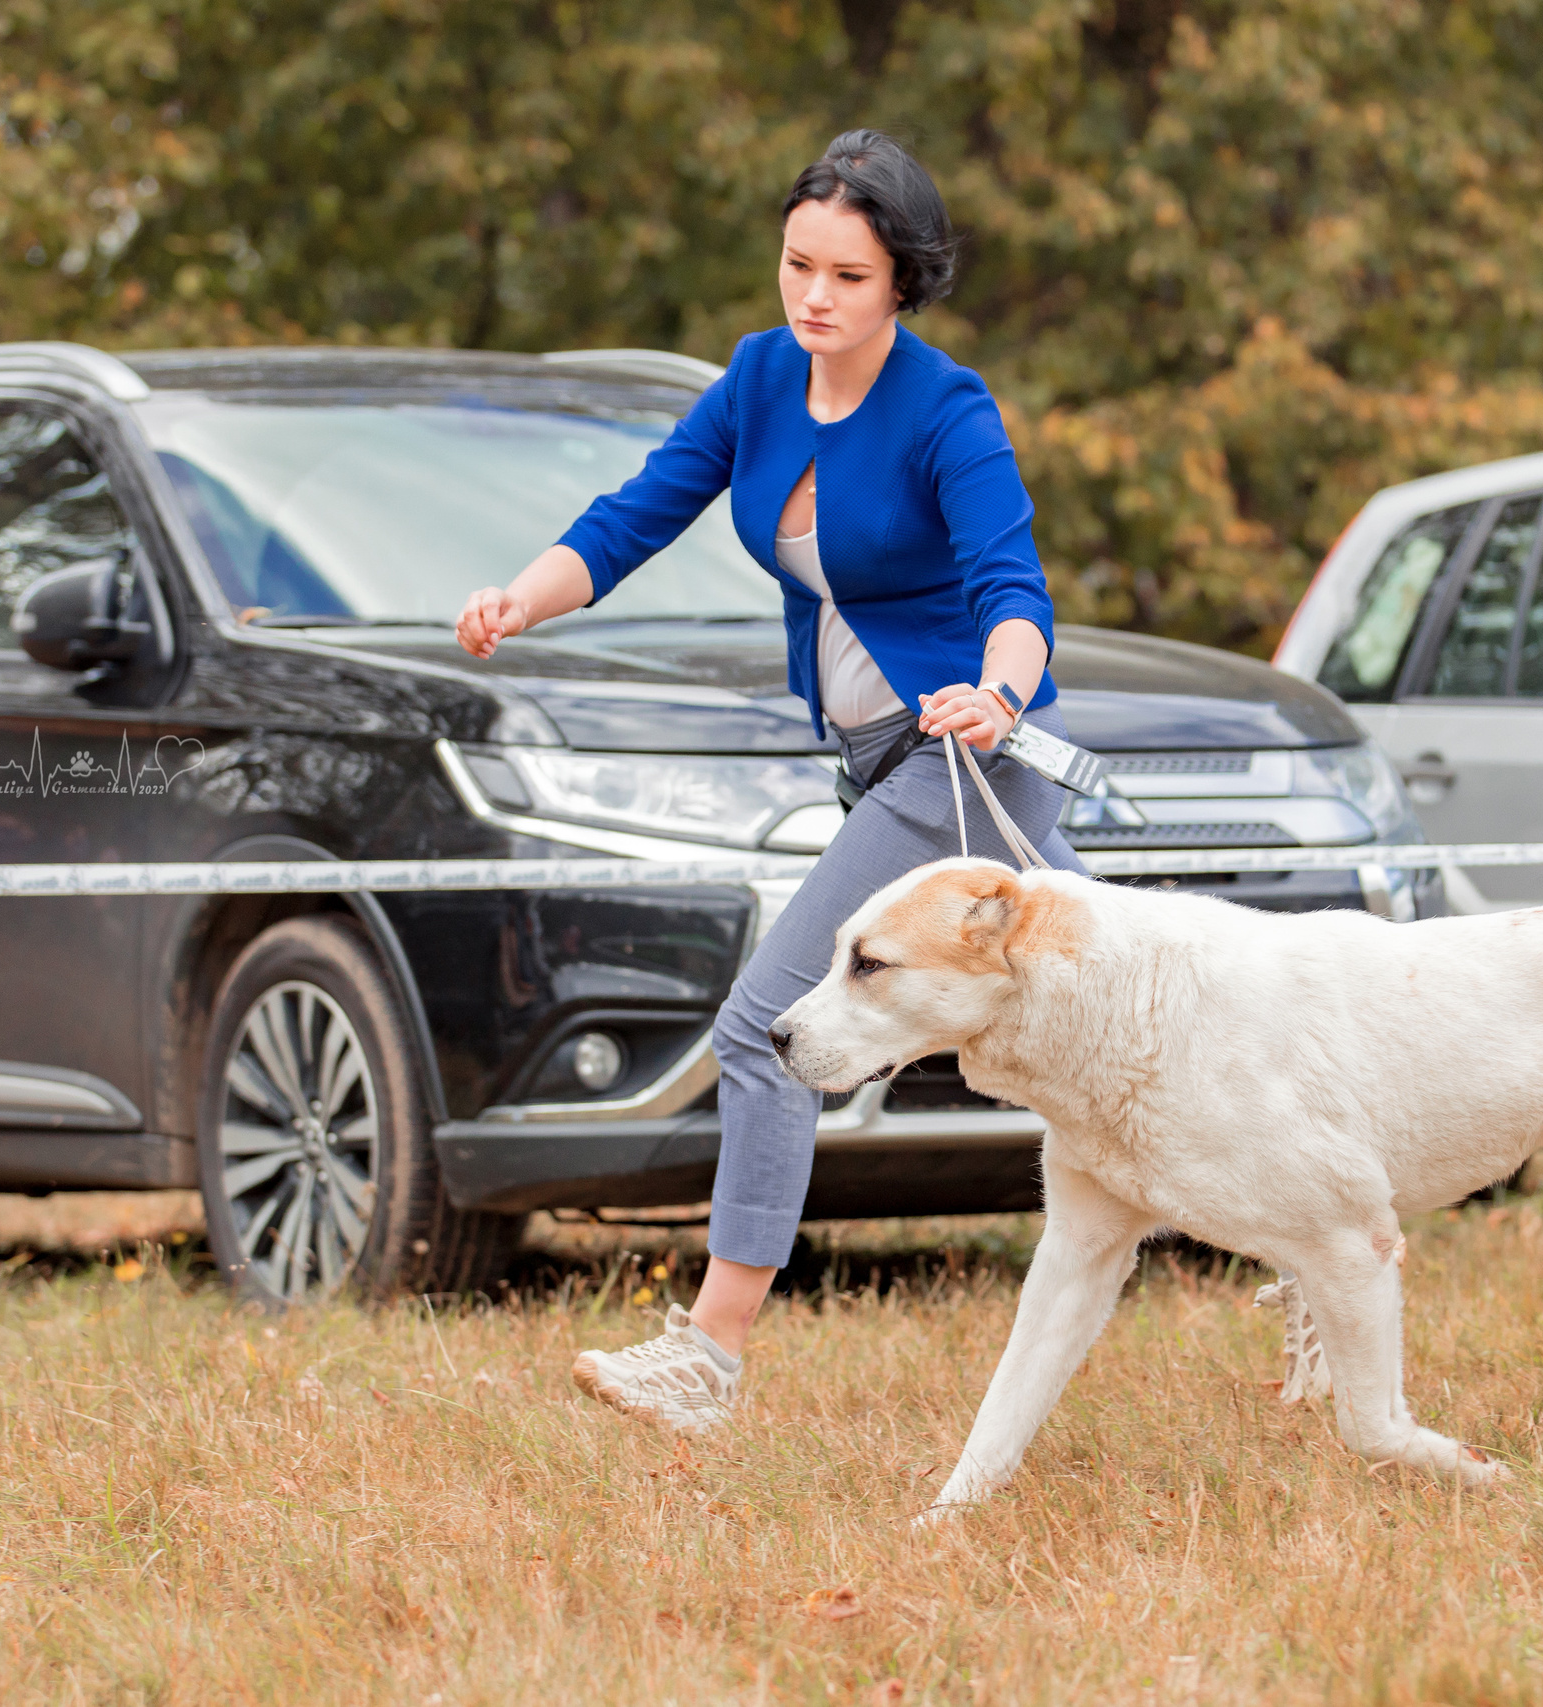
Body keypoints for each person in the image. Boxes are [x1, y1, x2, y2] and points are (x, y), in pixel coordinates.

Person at [455, 130, 1088, 1433]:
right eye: (798, 264)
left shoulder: (947, 410)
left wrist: (1000, 688)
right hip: (886, 770)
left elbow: (1014, 594)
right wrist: (521, 599)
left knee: (763, 1028)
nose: (814, 297)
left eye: (848, 276)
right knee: (1127, 1041)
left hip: (960, 764)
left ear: (901, 283)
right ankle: (1319, 1247)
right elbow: (634, 517)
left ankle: (708, 1356)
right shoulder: (757, 381)